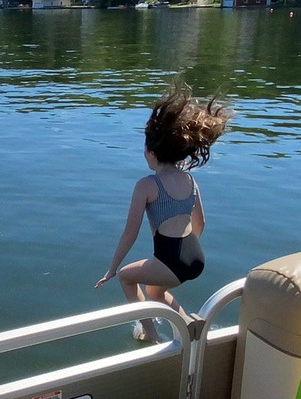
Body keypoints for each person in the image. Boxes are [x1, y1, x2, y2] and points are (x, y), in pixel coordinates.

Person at [95, 81, 232, 342]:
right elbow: (201, 223)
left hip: (172, 259)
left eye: (145, 149)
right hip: (195, 256)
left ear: (153, 153)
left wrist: (112, 269)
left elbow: (129, 234)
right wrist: (184, 254)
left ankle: (152, 335)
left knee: (126, 277)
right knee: (155, 292)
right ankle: (188, 325)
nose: (144, 153)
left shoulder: (147, 185)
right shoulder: (189, 179)